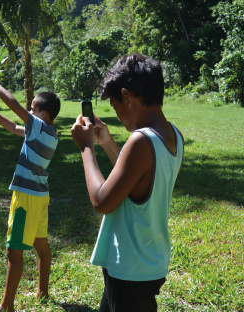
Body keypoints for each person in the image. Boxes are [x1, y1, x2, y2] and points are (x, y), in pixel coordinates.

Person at [70, 53, 184, 311]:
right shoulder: (173, 135)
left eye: (115, 106)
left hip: (129, 271)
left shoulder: (141, 141)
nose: (117, 115)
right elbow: (135, 180)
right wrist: (106, 142)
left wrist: (86, 147)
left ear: (127, 97)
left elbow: (101, 201)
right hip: (147, 260)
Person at [0, 73, 60, 312]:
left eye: (32, 109)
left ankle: (6, 307)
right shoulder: (48, 134)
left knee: (13, 251)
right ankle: (43, 293)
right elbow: (13, 126)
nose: (29, 112)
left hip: (26, 196)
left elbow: (13, 106)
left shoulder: (39, 128)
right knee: (41, 245)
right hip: (40, 195)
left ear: (43, 114)